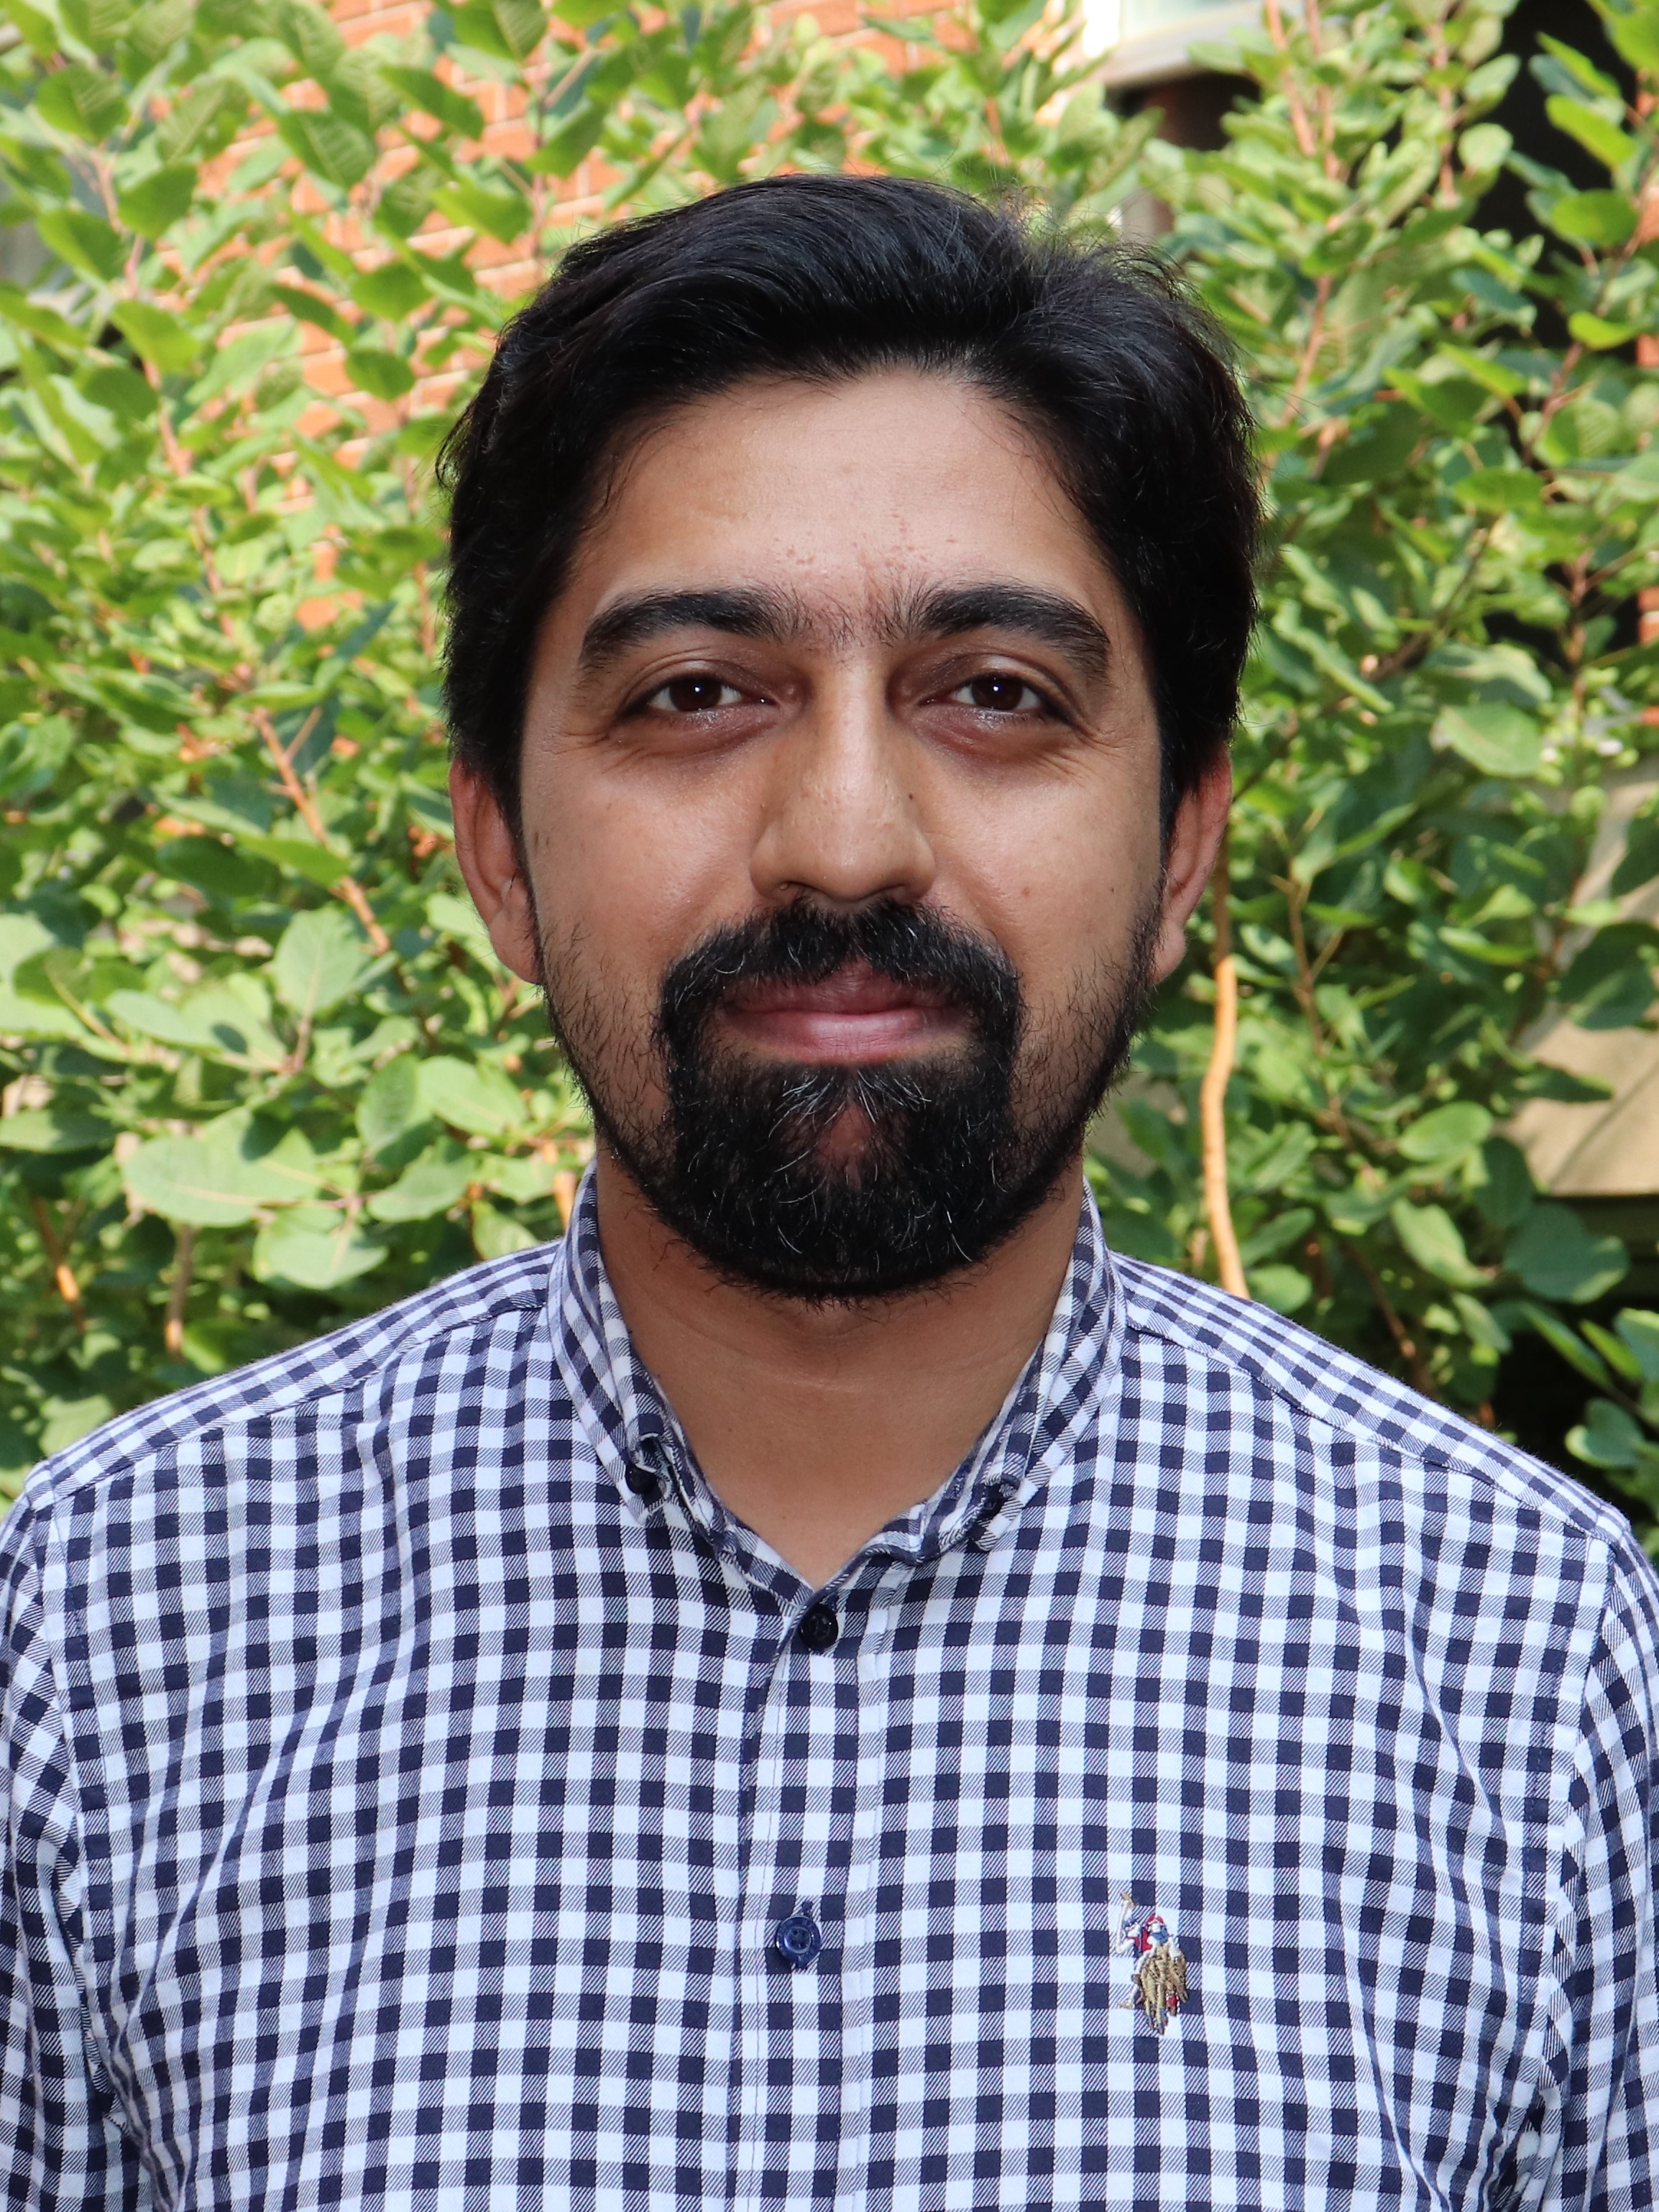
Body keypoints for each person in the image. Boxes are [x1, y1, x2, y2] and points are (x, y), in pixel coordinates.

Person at [1, 175, 1653, 2212]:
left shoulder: (1517, 1660)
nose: (846, 840)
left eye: (995, 692)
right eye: (698, 692)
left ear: (1181, 848)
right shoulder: (115, 1630)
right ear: (500, 854)